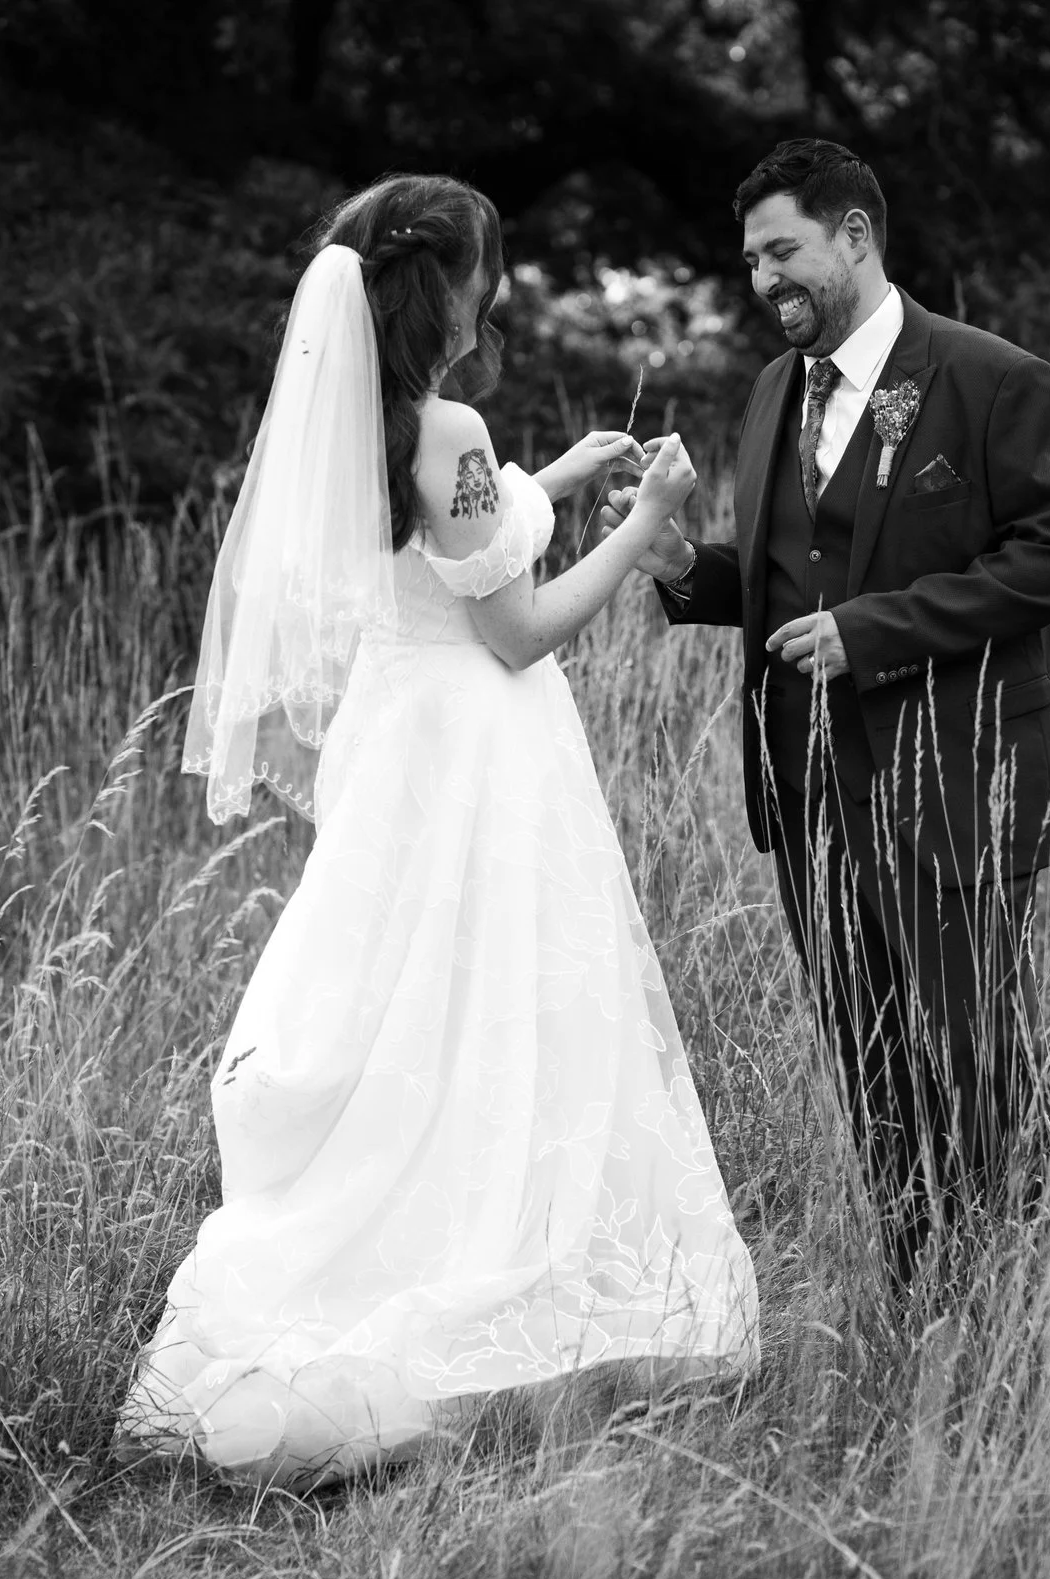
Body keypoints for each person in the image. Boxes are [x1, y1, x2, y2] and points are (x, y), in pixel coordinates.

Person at [120, 174, 758, 1487]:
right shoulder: (447, 423)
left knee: (405, 1008)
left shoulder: (378, 422)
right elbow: (516, 629)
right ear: (446, 283)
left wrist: (556, 476)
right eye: (490, 268)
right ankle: (485, 1285)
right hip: (481, 750)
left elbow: (446, 540)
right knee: (499, 1008)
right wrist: (640, 524)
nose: (499, 289)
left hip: (397, 743)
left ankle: (376, 1255)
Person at [603, 140, 1050, 1286]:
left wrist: (873, 632)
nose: (763, 279)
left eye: (782, 250)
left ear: (856, 236)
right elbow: (787, 580)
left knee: (973, 1055)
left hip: (951, 774)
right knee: (870, 1058)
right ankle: (919, 1287)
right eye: (749, 261)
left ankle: (1020, 1297)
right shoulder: (776, 389)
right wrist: (682, 560)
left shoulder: (990, 377)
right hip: (808, 789)